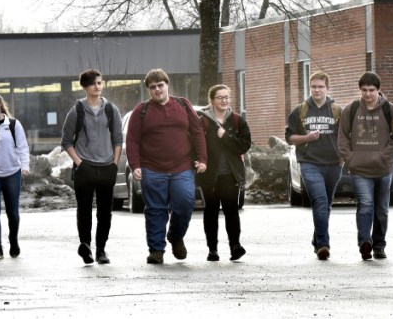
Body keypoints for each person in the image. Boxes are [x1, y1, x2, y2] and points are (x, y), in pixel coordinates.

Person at [126, 69, 207, 264]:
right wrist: (135, 165)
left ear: (167, 85)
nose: (157, 90)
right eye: (152, 87)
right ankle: (156, 250)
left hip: (182, 167)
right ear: (148, 90)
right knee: (155, 209)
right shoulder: (141, 111)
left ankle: (176, 236)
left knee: (186, 203)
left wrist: (202, 158)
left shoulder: (183, 105)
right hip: (151, 168)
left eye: (160, 85)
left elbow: (197, 132)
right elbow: (132, 140)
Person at [338, 71, 393, 261]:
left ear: (378, 90)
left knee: (381, 208)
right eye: (364, 90)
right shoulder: (351, 110)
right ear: (360, 90)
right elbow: (342, 138)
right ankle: (365, 242)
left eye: (371, 90)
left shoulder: (390, 110)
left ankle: (379, 245)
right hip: (360, 170)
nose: (368, 94)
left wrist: (384, 156)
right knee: (365, 205)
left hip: (383, 170)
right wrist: (351, 159)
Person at [60, 70, 122, 265]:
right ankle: (85, 246)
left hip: (106, 167)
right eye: (94, 83)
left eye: (100, 83)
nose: (98, 86)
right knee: (84, 210)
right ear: (85, 87)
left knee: (105, 212)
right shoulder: (77, 110)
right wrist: (80, 164)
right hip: (85, 168)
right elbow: (66, 141)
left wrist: (114, 164)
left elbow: (118, 139)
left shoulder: (112, 110)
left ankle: (101, 250)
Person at [285, 71, 342, 260]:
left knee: (327, 205)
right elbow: (290, 138)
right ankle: (323, 245)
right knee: (320, 201)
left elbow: (346, 137)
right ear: (309, 88)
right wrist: (307, 138)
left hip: (333, 164)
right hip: (309, 163)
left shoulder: (337, 110)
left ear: (327, 88)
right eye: (313, 86)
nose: (317, 90)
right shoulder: (300, 110)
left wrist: (343, 158)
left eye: (320, 86)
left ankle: (317, 239)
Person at [197, 84, 252, 262]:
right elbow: (193, 144)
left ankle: (235, 246)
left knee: (231, 210)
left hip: (230, 174)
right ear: (211, 100)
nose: (224, 101)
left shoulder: (236, 120)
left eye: (227, 97)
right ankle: (212, 249)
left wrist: (225, 136)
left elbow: (245, 145)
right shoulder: (203, 121)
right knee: (211, 211)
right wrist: (197, 161)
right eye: (220, 97)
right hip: (209, 175)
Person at [0, 93, 30, 260]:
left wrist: (25, 167)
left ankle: (13, 240)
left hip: (13, 172)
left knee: (13, 212)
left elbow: (22, 147)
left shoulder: (13, 124)